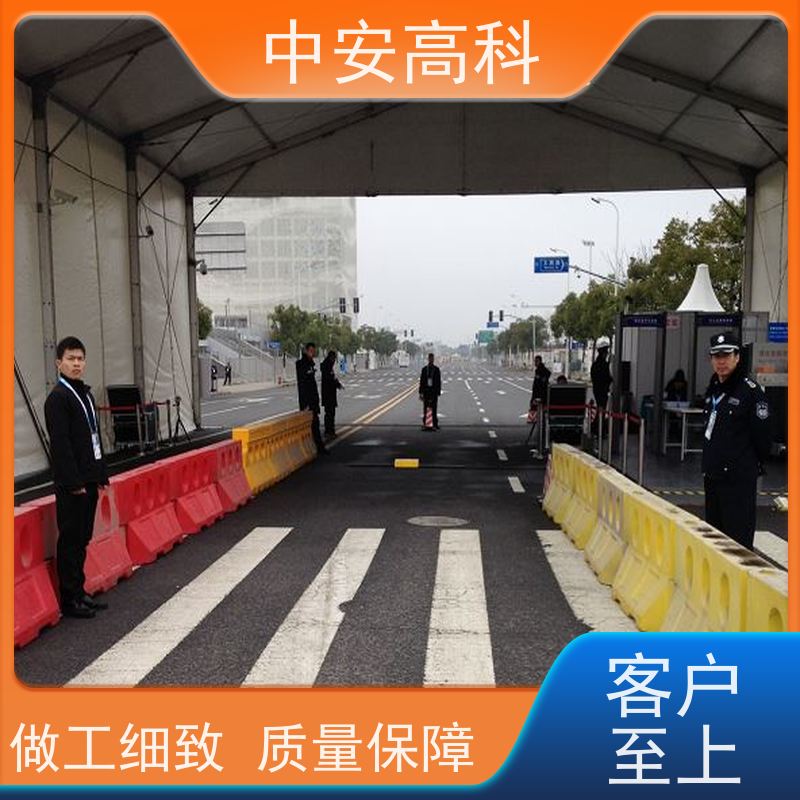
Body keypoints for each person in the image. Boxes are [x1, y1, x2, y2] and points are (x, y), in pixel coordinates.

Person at [43, 336, 110, 619]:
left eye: (80, 359)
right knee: (70, 540)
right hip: (73, 485)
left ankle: (80, 591)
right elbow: (61, 446)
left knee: (82, 538)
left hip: (89, 478)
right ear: (59, 363)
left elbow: (94, 438)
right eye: (71, 359)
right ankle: (70, 599)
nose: (76, 363)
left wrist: (100, 474)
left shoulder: (86, 395)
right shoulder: (58, 398)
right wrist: (74, 483)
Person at [702, 331, 772, 550]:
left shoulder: (750, 392)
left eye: (726, 355)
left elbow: (763, 438)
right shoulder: (713, 389)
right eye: (716, 356)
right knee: (715, 544)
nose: (721, 361)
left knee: (737, 544)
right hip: (713, 478)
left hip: (738, 481)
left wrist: (747, 465)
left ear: (737, 357)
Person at [295, 342, 327, 454]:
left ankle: (318, 447)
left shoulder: (311, 364)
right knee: (311, 425)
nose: (312, 353)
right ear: (306, 351)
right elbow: (303, 385)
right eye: (311, 351)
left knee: (315, 424)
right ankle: (318, 447)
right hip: (307, 402)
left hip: (313, 400)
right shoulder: (301, 364)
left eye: (314, 351)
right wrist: (305, 404)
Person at [321, 349, 344, 438]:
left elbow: (333, 378)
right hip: (329, 394)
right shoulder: (327, 367)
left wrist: (338, 384)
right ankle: (329, 431)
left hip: (329, 394)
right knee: (330, 413)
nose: (334, 361)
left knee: (330, 413)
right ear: (331, 358)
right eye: (334, 359)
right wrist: (337, 384)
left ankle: (330, 431)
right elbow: (331, 380)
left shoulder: (328, 366)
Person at [419, 352, 442, 430]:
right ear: (428, 359)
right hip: (426, 391)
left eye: (432, 358)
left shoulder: (436, 369)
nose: (431, 360)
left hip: (433, 391)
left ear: (433, 359)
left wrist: (438, 391)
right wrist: (421, 392)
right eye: (430, 358)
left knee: (434, 407)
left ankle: (434, 423)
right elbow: (422, 381)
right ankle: (426, 423)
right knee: (426, 407)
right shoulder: (424, 369)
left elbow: (438, 381)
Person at [591, 336, 613, 413]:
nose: (606, 354)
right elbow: (606, 377)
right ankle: (600, 420)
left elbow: (593, 377)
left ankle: (599, 419)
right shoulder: (604, 364)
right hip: (603, 390)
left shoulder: (595, 364)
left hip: (596, 389)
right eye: (606, 352)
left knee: (599, 407)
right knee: (602, 408)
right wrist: (611, 379)